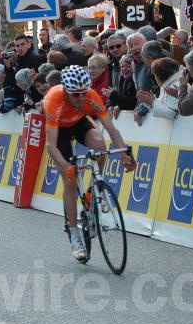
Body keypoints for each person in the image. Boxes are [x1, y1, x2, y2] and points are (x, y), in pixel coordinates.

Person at [44, 66, 135, 260]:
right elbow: (51, 146)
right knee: (70, 180)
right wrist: (66, 166)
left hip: (79, 123)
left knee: (100, 145)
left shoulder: (91, 96)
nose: (81, 98)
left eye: (83, 93)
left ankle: (93, 191)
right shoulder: (54, 99)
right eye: (76, 95)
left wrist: (125, 155)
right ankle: (74, 234)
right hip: (59, 131)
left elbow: (112, 130)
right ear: (66, 91)